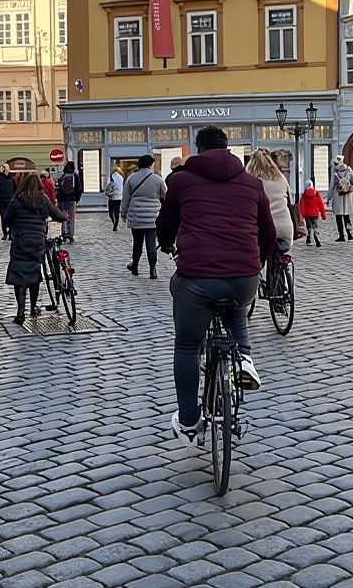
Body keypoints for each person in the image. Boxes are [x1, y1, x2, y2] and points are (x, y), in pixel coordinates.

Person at [157, 125, 274, 440]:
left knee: (186, 345)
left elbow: (165, 224)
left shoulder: (181, 181)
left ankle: (189, 420)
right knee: (236, 311)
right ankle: (244, 360)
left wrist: (166, 244)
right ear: (228, 148)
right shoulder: (252, 184)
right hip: (244, 276)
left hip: (198, 278)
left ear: (199, 149)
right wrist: (257, 263)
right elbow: (269, 232)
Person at [3, 173, 67, 324]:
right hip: (37, 242)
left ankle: (20, 312)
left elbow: (6, 221)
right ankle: (33, 308)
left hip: (20, 242)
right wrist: (64, 216)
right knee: (34, 274)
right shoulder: (42, 199)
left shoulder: (16, 200)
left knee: (19, 277)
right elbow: (57, 214)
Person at [122, 154, 166, 279]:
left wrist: (123, 213)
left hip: (136, 216)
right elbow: (164, 196)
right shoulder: (157, 179)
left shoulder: (131, 178)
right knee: (151, 245)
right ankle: (153, 270)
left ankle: (135, 266)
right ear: (151, 164)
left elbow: (125, 198)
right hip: (153, 218)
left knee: (137, 243)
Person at [246, 149, 295, 253]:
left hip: (263, 232)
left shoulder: (250, 181)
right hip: (285, 232)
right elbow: (290, 202)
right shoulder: (281, 178)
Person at [330, 155, 353, 242]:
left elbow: (332, 185)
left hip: (338, 195)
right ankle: (350, 234)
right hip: (347, 196)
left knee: (338, 217)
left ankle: (341, 235)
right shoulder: (348, 169)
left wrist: (329, 197)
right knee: (347, 217)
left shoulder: (335, 171)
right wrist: (349, 186)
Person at [55, 161, 81, 243]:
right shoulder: (75, 176)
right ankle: (71, 235)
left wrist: (59, 199)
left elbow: (59, 188)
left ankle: (64, 233)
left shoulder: (63, 176)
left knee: (64, 217)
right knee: (71, 218)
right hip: (72, 200)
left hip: (63, 200)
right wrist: (77, 199)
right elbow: (79, 189)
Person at [299, 179, 327, 247]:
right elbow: (321, 205)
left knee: (309, 226)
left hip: (307, 214)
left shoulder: (304, 195)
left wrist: (301, 217)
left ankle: (309, 237)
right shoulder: (316, 194)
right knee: (315, 226)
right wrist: (323, 215)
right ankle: (316, 238)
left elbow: (301, 207)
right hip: (315, 214)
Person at [0, 164, 17, 239]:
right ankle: (5, 234)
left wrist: (14, 198)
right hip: (2, 201)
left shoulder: (11, 178)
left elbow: (15, 189)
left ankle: (10, 233)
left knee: (11, 217)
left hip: (10, 201)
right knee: (3, 217)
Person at [104, 166, 125, 231]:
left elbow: (108, 186)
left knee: (110, 212)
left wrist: (107, 193)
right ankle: (116, 223)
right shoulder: (121, 177)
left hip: (112, 197)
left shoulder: (111, 177)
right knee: (116, 211)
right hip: (119, 197)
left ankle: (114, 222)